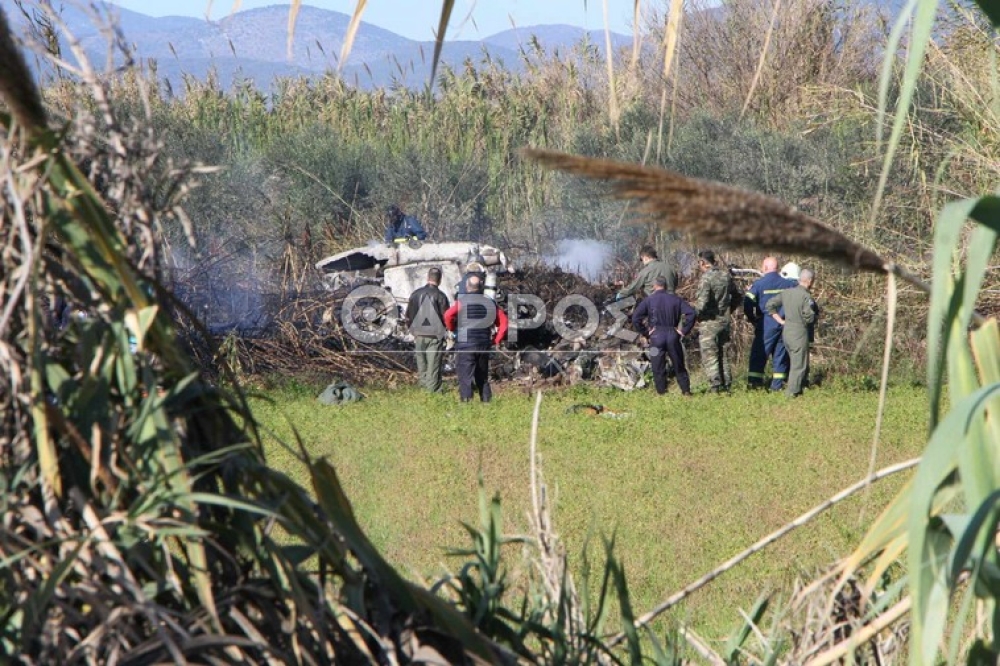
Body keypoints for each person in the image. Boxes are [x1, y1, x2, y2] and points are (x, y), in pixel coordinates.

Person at [444, 274, 508, 402]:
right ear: (481, 288)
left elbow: (447, 315)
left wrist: (452, 328)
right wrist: (496, 340)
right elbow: (504, 323)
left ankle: (467, 406)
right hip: (483, 344)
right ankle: (487, 403)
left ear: (467, 287)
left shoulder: (461, 302)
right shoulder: (490, 303)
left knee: (465, 378)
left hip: (465, 344)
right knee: (482, 378)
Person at [631, 276, 696, 395]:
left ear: (654, 286)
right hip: (673, 335)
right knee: (678, 364)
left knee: (657, 365)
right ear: (665, 286)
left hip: (656, 337)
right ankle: (686, 391)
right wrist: (683, 330)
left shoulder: (649, 300)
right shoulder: (676, 299)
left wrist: (646, 332)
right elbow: (691, 313)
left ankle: (661, 392)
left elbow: (635, 318)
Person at [743, 257, 797, 390]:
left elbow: (748, 304)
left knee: (759, 354)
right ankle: (777, 386)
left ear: (766, 268)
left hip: (766, 324)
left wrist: (753, 319)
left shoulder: (759, 284)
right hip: (784, 324)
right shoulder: (788, 284)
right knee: (780, 355)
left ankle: (754, 385)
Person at [766, 268, 817, 398]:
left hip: (786, 331)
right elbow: (809, 317)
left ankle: (798, 388)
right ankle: (791, 392)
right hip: (799, 332)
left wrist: (780, 320)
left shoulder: (787, 292)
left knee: (793, 361)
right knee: (798, 365)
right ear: (810, 281)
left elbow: (770, 305)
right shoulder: (806, 296)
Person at [405, 267, 451, 392]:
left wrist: (413, 331)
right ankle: (432, 392)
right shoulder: (441, 296)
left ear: (427, 278)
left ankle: (424, 389)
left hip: (419, 334)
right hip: (435, 336)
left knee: (422, 365)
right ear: (439, 280)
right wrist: (447, 330)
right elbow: (447, 317)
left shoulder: (415, 294)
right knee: (433, 365)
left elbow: (408, 316)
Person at [694, 249, 733, 393]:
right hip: (724, 320)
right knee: (723, 353)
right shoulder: (725, 276)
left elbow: (702, 304)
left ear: (703, 262)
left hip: (709, 322)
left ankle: (715, 386)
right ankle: (727, 384)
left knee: (710, 355)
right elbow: (737, 296)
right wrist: (728, 310)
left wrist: (694, 316)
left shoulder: (706, 278)